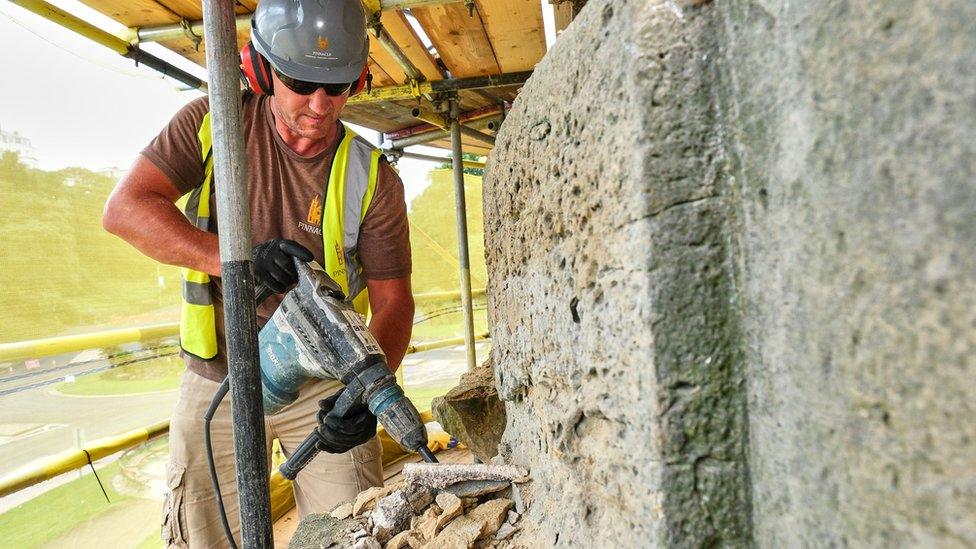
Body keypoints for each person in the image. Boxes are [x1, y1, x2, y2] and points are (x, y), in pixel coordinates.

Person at [102, 0, 414, 545]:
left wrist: (363, 396)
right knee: (205, 533)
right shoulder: (209, 123)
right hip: (216, 382)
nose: (320, 105)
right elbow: (126, 210)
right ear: (262, 70)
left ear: (358, 81)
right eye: (300, 82)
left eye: (336, 87)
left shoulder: (373, 177)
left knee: (352, 531)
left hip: (323, 388)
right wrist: (231, 259)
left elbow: (394, 303)